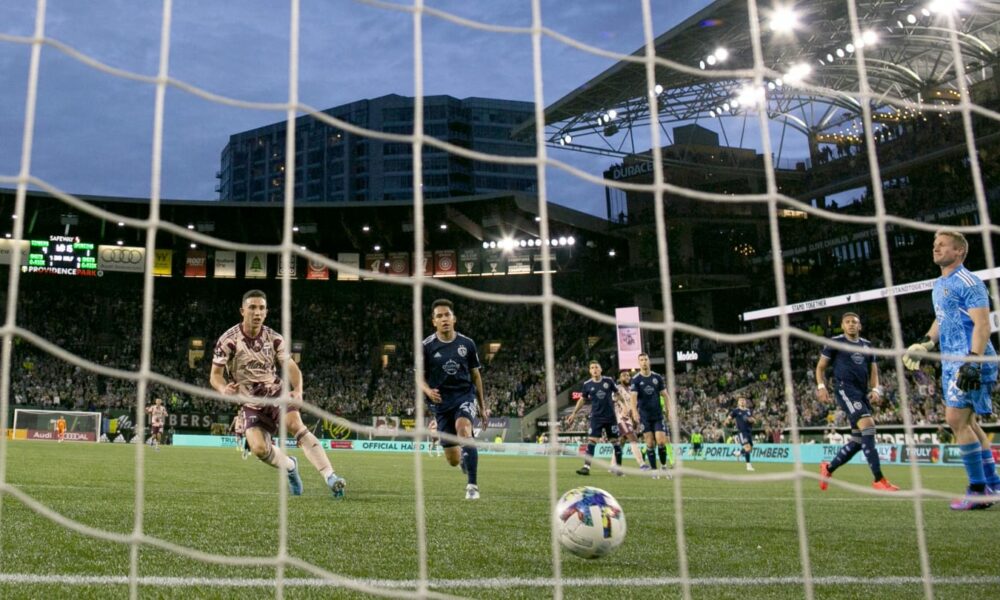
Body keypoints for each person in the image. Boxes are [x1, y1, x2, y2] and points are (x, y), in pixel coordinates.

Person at [210, 289, 346, 498]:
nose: (257, 312)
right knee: (259, 449)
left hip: (275, 393)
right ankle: (290, 466)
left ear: (266, 312)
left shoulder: (274, 339)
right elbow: (215, 376)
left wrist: (297, 390)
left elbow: (291, 367)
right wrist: (223, 388)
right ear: (242, 311)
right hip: (250, 403)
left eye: (261, 308)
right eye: (252, 307)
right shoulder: (228, 340)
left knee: (296, 426)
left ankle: (331, 477)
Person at [903, 230, 1000, 509]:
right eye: (935, 244)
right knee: (968, 423)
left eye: (943, 245)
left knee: (956, 420)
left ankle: (978, 491)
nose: (935, 248)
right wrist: (926, 342)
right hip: (951, 361)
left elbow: (982, 325)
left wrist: (973, 361)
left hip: (970, 360)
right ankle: (993, 483)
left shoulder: (969, 282)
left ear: (959, 251)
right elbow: (942, 318)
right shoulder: (939, 284)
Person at [815, 312, 899, 491]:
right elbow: (820, 367)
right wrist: (821, 386)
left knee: (858, 441)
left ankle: (828, 468)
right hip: (845, 390)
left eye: (854, 322)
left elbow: (874, 371)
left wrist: (875, 389)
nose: (851, 324)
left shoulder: (867, 345)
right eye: (847, 322)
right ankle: (878, 479)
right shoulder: (835, 342)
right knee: (869, 427)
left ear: (859, 326)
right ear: (842, 326)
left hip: (862, 393)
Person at [420, 298, 489, 500]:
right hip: (441, 403)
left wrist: (482, 407)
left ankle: (472, 486)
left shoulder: (467, 344)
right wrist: (428, 391)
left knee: (464, 429)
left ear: (454, 318)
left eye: (447, 315)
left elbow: (476, 376)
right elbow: (418, 377)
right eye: (439, 316)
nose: (444, 319)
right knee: (453, 460)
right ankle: (464, 461)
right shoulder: (426, 346)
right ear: (434, 321)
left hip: (464, 395)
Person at [566, 361, 621, 476]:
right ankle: (586, 468)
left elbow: (617, 393)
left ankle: (619, 468)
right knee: (592, 441)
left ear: (601, 369)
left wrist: (623, 404)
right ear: (590, 371)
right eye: (592, 368)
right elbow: (582, 399)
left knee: (615, 442)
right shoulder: (587, 384)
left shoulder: (608, 380)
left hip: (610, 417)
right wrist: (574, 413)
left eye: (596, 367)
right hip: (596, 417)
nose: (594, 369)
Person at [630, 352, 672, 478]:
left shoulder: (657, 377)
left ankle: (663, 467)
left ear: (649, 361)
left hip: (657, 415)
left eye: (646, 359)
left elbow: (665, 395)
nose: (644, 362)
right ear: (639, 363)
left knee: (661, 442)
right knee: (649, 444)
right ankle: (654, 470)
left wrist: (669, 411)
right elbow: (633, 398)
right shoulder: (636, 379)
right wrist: (634, 412)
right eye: (641, 360)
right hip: (645, 416)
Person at [613, 370, 648, 471]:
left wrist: (634, 417)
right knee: (633, 439)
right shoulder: (617, 388)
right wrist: (622, 406)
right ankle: (642, 464)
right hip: (621, 418)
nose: (627, 377)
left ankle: (612, 465)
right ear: (620, 378)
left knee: (622, 442)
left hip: (630, 419)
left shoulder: (632, 389)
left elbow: (634, 405)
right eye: (624, 375)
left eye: (628, 375)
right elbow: (615, 400)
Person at [725, 397, 756, 471]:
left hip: (749, 432)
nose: (742, 401)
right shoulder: (735, 411)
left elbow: (753, 420)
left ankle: (738, 453)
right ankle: (748, 466)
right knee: (747, 448)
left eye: (743, 400)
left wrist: (751, 420)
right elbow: (729, 418)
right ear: (738, 402)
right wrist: (727, 421)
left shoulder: (748, 411)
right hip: (742, 432)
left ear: (745, 402)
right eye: (740, 400)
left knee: (750, 449)